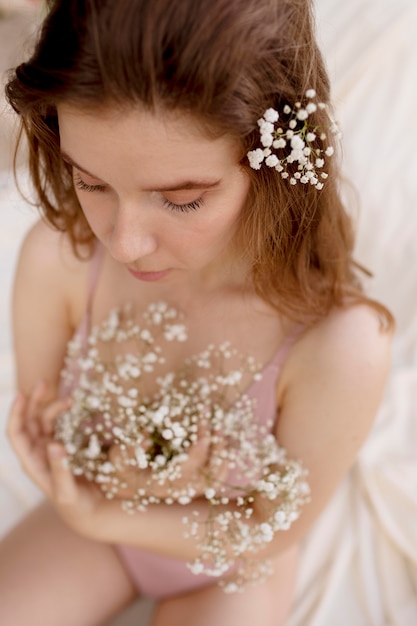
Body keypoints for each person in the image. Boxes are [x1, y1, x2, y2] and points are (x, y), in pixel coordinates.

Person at [0, 0, 393, 624]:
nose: (123, 243)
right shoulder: (60, 260)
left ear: (276, 169)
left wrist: (106, 511)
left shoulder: (341, 345)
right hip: (89, 535)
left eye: (182, 200)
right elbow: (48, 420)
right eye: (91, 181)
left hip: (231, 570)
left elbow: (269, 530)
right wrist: (78, 478)